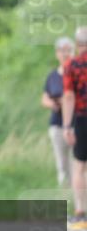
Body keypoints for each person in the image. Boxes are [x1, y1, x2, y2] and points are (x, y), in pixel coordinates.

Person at [61, 27, 87, 230]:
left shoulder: (72, 65)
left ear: (77, 45)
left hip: (82, 118)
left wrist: (67, 125)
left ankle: (80, 212)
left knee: (79, 165)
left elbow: (69, 97)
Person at [44, 37, 75, 187]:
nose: (65, 54)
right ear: (57, 53)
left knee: (78, 163)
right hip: (58, 122)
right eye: (62, 51)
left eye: (69, 50)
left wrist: (67, 101)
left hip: (76, 122)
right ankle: (65, 196)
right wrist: (54, 104)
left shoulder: (79, 73)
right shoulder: (52, 76)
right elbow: (44, 97)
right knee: (62, 164)